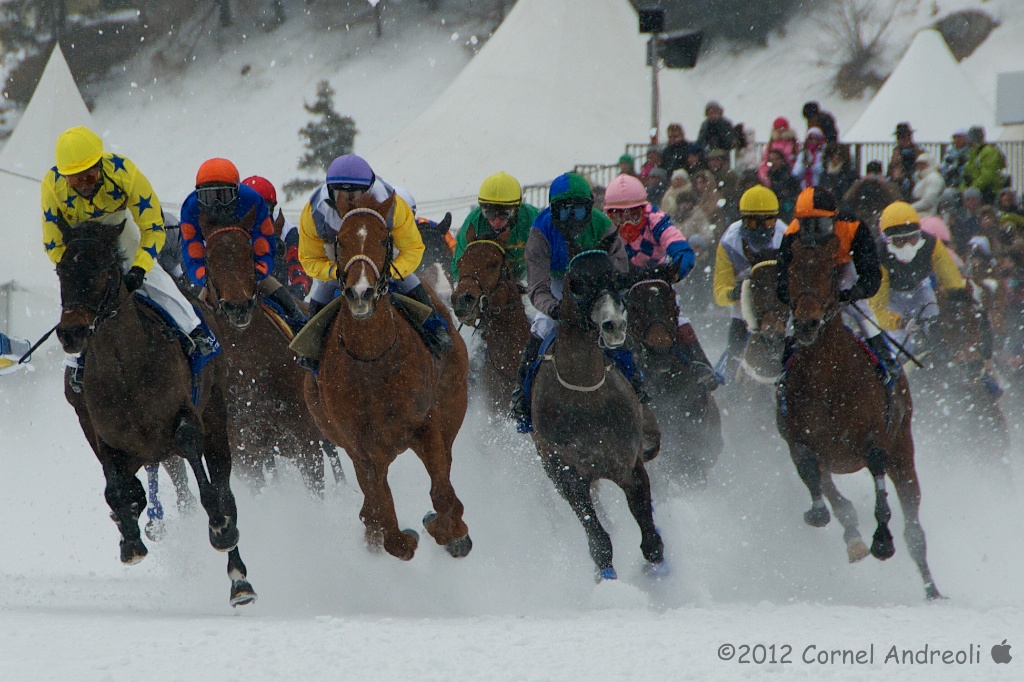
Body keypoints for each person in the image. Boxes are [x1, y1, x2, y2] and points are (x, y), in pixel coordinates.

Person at [41, 126, 217, 393]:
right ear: (63, 178)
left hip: (118, 227)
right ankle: (75, 361)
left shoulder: (124, 172)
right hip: (80, 240)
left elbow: (153, 228)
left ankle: (194, 329)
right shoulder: (51, 185)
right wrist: (75, 270)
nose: (84, 185)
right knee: (75, 300)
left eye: (89, 175)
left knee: (154, 278)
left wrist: (139, 268)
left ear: (101, 165)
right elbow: (53, 243)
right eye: (75, 181)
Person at [296, 153, 451, 366]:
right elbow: (309, 257)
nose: (348, 201)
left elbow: (413, 248)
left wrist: (393, 271)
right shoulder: (315, 211)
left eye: (356, 193)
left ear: (369, 190)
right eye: (340, 193)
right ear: (330, 191)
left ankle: (435, 329)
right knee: (318, 300)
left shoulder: (393, 204)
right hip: (339, 263)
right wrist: (334, 272)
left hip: (384, 259)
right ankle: (311, 353)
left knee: (411, 284)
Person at [509, 172, 627, 421]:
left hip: (598, 283)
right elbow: (537, 287)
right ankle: (523, 395)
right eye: (563, 212)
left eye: (579, 212)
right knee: (541, 329)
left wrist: (607, 295)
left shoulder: (604, 226)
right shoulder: (540, 232)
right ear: (552, 211)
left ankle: (636, 384)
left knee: (616, 326)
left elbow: (620, 269)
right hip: (558, 283)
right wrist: (554, 309)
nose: (571, 219)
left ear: (590, 207)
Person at [604, 173, 719, 391]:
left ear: (643, 210)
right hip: (618, 287)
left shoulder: (656, 219)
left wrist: (673, 272)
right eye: (618, 217)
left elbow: (682, 249)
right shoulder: (601, 226)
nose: (626, 224)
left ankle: (701, 366)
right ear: (608, 214)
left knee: (680, 321)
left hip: (654, 282)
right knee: (605, 321)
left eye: (633, 216)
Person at [776, 187, 901, 384]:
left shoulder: (853, 226)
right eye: (807, 226)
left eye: (820, 225)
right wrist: (796, 300)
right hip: (808, 277)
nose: (813, 233)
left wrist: (856, 292)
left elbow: (870, 272)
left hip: (841, 270)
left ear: (835, 219)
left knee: (862, 311)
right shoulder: (791, 234)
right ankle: (784, 370)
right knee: (796, 318)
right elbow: (782, 280)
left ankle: (886, 361)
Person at [180, 160, 305, 322]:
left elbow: (265, 246)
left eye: (223, 196)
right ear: (198, 195)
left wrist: (256, 274)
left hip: (248, 269)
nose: (217, 203)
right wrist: (207, 279)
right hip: (215, 274)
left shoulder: (253, 200)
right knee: (193, 319)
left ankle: (302, 328)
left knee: (291, 306)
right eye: (208, 197)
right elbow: (192, 255)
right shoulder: (190, 208)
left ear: (236, 192)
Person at [712, 185, 789, 382]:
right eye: (754, 223)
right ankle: (728, 380)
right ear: (743, 220)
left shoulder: (787, 237)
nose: (762, 228)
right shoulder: (730, 242)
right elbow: (720, 291)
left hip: (780, 306)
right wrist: (733, 293)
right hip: (746, 307)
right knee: (735, 349)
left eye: (768, 221)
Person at [870, 202, 966, 353]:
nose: (908, 245)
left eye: (913, 238)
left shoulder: (931, 244)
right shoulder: (878, 257)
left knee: (934, 323)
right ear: (887, 239)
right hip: (890, 296)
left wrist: (959, 296)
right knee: (900, 346)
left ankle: (940, 359)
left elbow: (950, 276)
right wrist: (899, 323)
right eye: (900, 240)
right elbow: (876, 308)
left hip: (919, 288)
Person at [451, 171, 540, 282]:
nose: (496, 221)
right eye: (489, 213)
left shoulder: (533, 219)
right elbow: (458, 266)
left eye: (504, 214)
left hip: (528, 278)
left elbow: (547, 260)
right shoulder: (474, 223)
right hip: (487, 282)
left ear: (516, 210)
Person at [242, 175, 312, 302]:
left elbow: (301, 274)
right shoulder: (229, 231)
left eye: (263, 209)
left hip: (277, 293)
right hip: (235, 294)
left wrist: (293, 297)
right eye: (249, 210)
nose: (256, 216)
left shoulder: (287, 231)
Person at [960, 126, 1007, 204]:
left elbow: (987, 176)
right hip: (977, 189)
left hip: (989, 191)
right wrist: (962, 190)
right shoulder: (973, 153)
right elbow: (966, 174)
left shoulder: (989, 152)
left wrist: (972, 189)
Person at [759, 116, 800, 184]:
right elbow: (765, 161)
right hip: (773, 174)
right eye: (778, 128)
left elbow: (797, 158)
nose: (780, 130)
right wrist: (765, 176)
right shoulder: (771, 144)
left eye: (782, 128)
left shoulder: (793, 143)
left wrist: (793, 172)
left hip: (789, 173)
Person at [887, 123, 923, 200]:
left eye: (909, 135)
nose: (906, 138)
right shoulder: (896, 152)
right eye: (901, 137)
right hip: (898, 184)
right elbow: (892, 170)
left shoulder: (918, 151)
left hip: (915, 181)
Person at [909, 152, 946, 217]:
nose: (920, 166)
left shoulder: (934, 178)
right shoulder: (922, 179)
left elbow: (928, 202)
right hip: (919, 213)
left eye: (923, 164)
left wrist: (908, 208)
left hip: (929, 215)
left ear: (930, 163)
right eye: (918, 164)